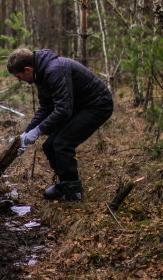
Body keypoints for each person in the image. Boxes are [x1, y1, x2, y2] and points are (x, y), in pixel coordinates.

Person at [7, 48, 113, 202]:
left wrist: (38, 131)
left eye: (19, 76)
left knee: (62, 143)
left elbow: (63, 110)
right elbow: (46, 107)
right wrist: (26, 134)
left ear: (28, 69)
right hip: (79, 106)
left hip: (98, 105)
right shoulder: (41, 74)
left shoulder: (55, 70)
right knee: (49, 145)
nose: (19, 80)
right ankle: (64, 183)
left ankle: (73, 191)